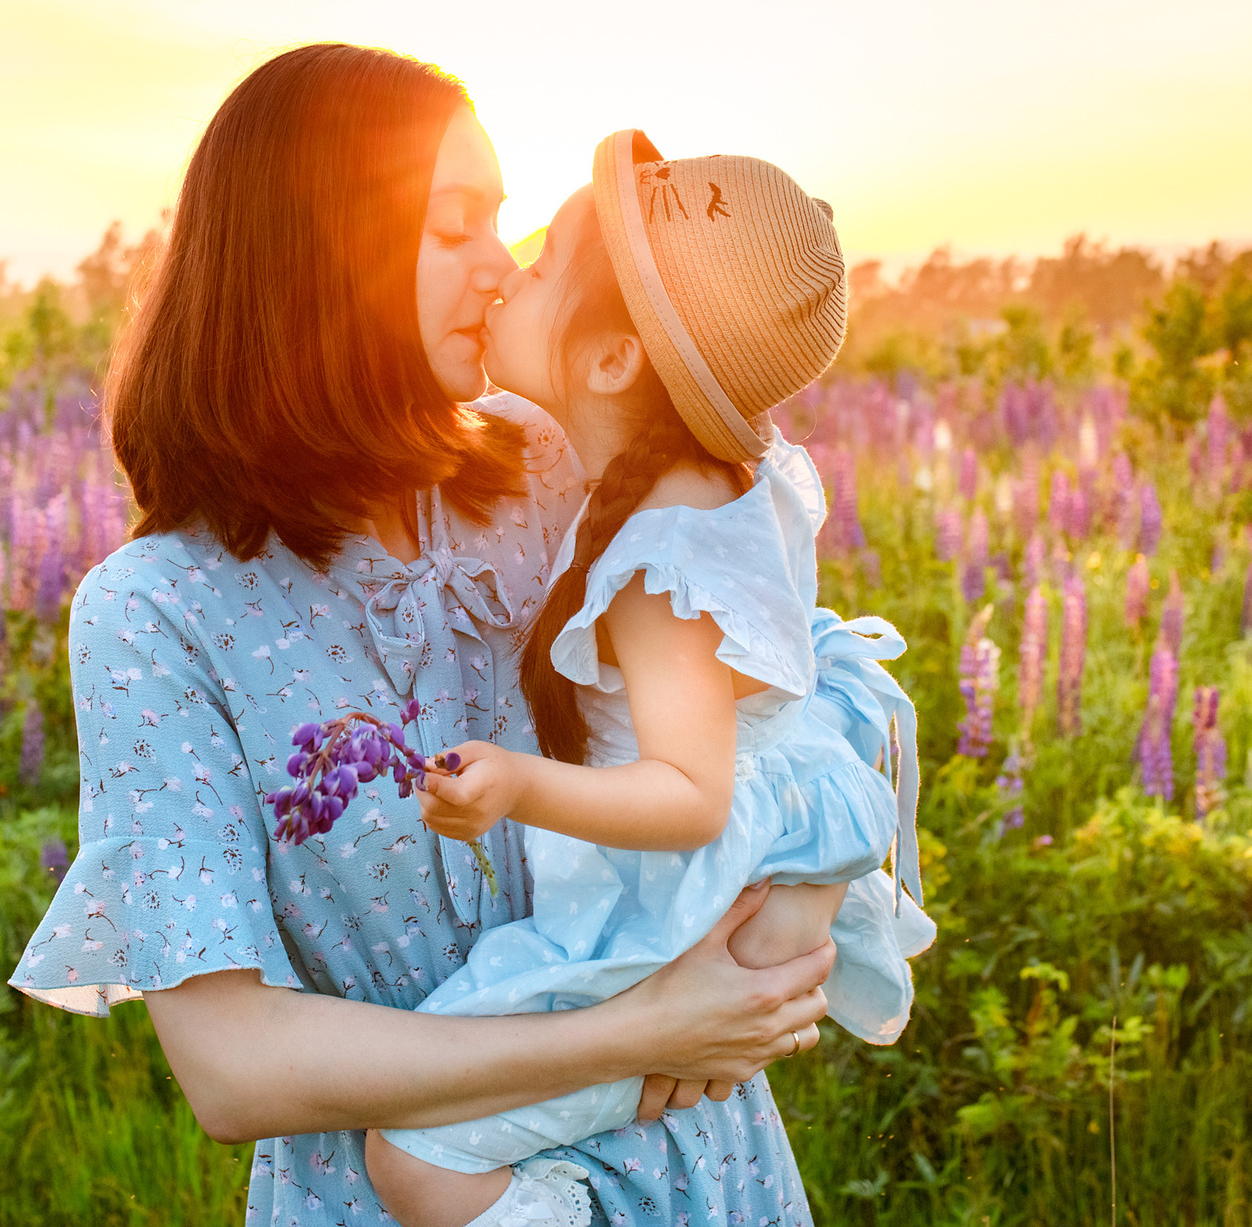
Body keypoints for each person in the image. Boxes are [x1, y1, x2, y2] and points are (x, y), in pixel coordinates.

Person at [10, 46, 835, 1227]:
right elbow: (232, 1064)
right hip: (413, 1191)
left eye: (502, 224)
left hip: (685, 1150)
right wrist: (638, 1027)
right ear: (319, 252)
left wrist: (782, 934)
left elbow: (753, 695)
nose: (500, 270)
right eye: (455, 229)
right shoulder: (156, 610)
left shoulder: (548, 459)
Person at [361, 132, 933, 1227]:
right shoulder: (722, 473)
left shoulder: (656, 565)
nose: (503, 273)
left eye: (535, 270)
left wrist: (521, 784)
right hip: (753, 869)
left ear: (615, 360)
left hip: (668, 908)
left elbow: (690, 794)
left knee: (411, 1153)